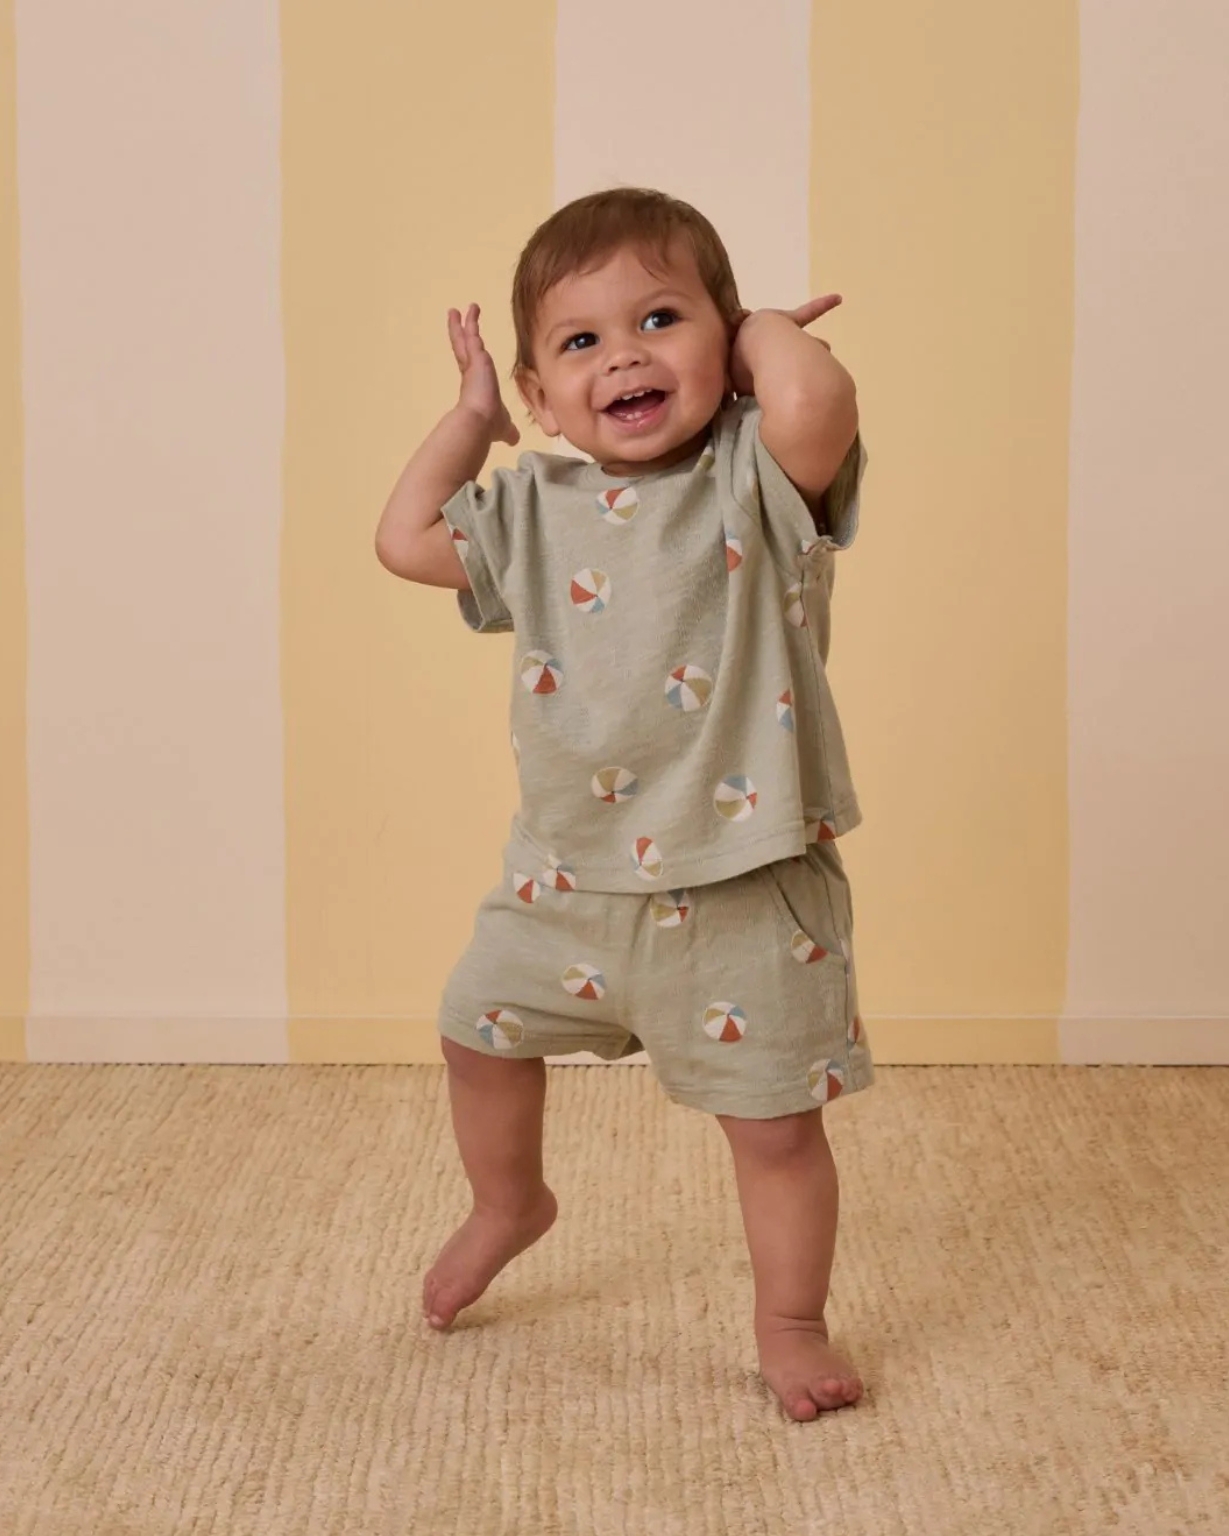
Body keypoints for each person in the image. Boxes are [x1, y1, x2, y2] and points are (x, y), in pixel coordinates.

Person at [375, 187, 873, 1420]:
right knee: (472, 1031)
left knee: (772, 1128)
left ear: (726, 347)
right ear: (543, 396)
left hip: (742, 879)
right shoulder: (528, 508)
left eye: (662, 319)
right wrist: (471, 418)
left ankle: (790, 1321)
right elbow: (401, 539)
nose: (627, 356)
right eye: (581, 342)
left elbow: (816, 399)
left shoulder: (754, 477)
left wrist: (758, 331)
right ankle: (510, 1204)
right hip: (566, 877)